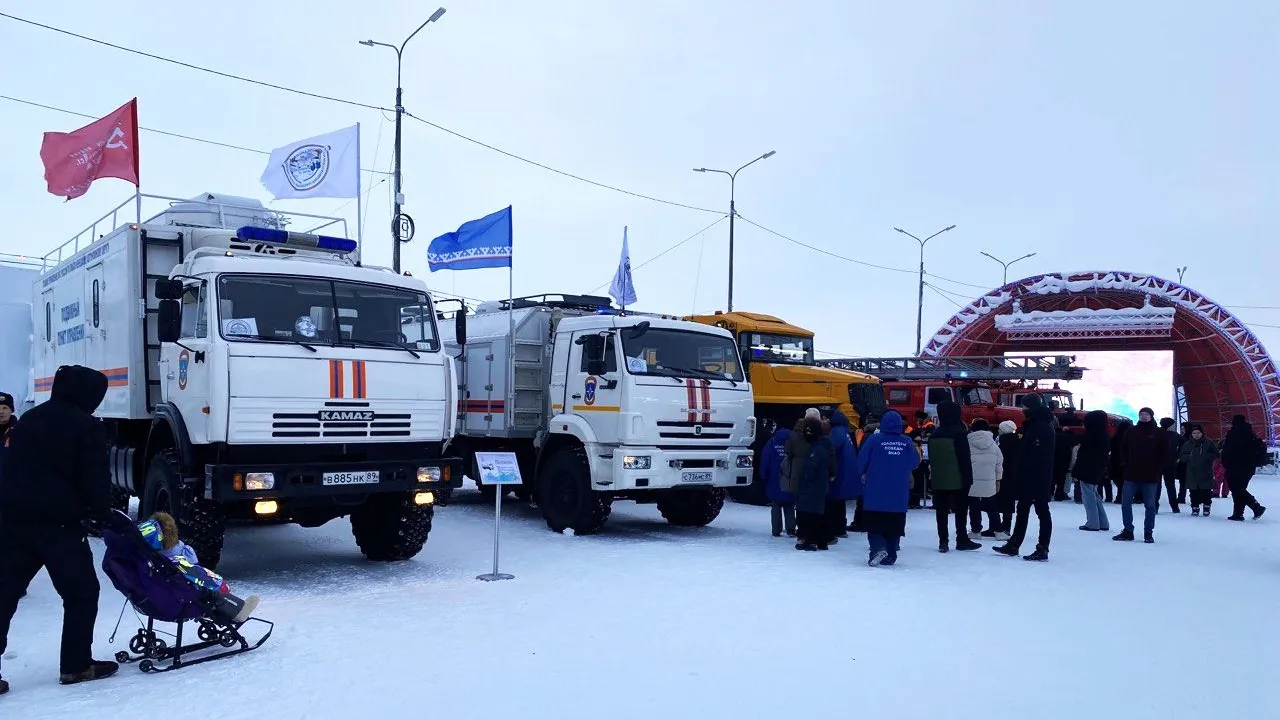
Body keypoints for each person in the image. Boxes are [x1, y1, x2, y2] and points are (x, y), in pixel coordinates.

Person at [0, 366, 119, 694]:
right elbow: (95, 477)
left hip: (12, 522)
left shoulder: (29, 420)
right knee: (81, 594)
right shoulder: (86, 427)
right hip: (60, 526)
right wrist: (101, 512)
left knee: (4, 595)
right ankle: (76, 666)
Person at [138, 513, 259, 623]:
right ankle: (238, 611)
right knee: (208, 592)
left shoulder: (148, 561)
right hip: (180, 605)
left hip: (151, 603)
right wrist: (222, 585)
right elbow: (205, 578)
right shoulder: (175, 562)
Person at [994, 394, 1055, 561]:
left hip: (1035, 476)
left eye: (1024, 406)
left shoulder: (1039, 426)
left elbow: (1034, 454)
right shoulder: (1039, 424)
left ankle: (1041, 548)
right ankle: (1014, 544)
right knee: (1024, 510)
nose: (1022, 410)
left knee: (1040, 511)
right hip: (1034, 476)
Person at [857, 410, 920, 566]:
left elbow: (861, 462)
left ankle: (878, 549)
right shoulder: (906, 442)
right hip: (898, 495)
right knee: (894, 528)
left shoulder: (874, 440)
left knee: (874, 527)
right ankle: (890, 555)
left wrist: (860, 476)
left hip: (875, 493)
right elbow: (915, 462)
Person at [927, 401, 979, 552]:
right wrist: (968, 478)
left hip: (939, 478)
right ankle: (961, 539)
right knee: (961, 510)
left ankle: (943, 541)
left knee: (941, 510)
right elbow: (964, 458)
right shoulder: (959, 433)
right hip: (959, 478)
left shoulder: (934, 434)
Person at [1115, 407, 1168, 544]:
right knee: (1125, 503)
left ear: (1151, 416)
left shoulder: (1159, 433)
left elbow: (1163, 453)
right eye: (1141, 414)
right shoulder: (1131, 431)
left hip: (1150, 476)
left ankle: (1148, 533)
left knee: (1150, 506)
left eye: (1146, 414)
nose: (1144, 417)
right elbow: (1124, 449)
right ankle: (1128, 530)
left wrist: (1157, 470)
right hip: (1131, 474)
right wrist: (1125, 464)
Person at [795, 417, 834, 551]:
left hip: (812, 487)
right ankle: (821, 540)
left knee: (809, 513)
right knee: (818, 511)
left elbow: (810, 468)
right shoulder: (824, 445)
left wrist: (804, 479)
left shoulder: (816, 449)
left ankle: (810, 540)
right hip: (820, 485)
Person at [1220, 415, 1268, 521]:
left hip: (1234, 467)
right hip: (1248, 468)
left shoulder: (1233, 434)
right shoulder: (1251, 433)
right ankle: (1238, 513)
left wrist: (1225, 462)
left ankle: (1256, 507)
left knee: (1237, 490)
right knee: (1239, 490)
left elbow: (1228, 451)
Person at [1072, 410, 1111, 532]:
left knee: (1088, 496)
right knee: (1095, 495)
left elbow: (1076, 440)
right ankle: (1103, 522)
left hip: (1087, 468)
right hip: (1097, 468)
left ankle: (1093, 523)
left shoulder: (1091, 434)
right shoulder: (1104, 433)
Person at [825, 411, 860, 541]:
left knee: (833, 502)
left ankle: (835, 529)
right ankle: (840, 528)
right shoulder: (845, 433)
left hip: (838, 474)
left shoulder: (836, 433)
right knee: (839, 502)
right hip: (846, 472)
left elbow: (830, 449)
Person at [966, 418, 1004, 538]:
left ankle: (976, 530)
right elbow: (999, 464)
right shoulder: (993, 445)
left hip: (972, 480)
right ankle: (998, 531)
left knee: (974, 506)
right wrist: (998, 479)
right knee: (992, 506)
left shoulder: (967, 442)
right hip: (989, 480)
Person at [760, 421, 796, 537]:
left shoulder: (772, 443)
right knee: (789, 505)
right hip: (790, 479)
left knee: (775, 506)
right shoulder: (794, 443)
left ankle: (776, 530)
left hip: (774, 480)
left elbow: (765, 460)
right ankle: (791, 529)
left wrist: (763, 475)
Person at [1178, 425, 1219, 516]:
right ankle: (1195, 507)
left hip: (1205, 471)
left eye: (1198, 433)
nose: (1196, 435)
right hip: (1191, 472)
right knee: (1193, 491)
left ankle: (1206, 507)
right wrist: (1188, 457)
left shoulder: (1208, 443)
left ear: (1202, 433)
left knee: (1206, 491)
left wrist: (1206, 457)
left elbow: (1216, 454)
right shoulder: (1187, 444)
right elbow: (1181, 456)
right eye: (1194, 433)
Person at [994, 420, 1020, 535]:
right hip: (1013, 476)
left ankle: (998, 527)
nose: (998, 430)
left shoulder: (1001, 442)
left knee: (998, 500)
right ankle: (1006, 527)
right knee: (1008, 502)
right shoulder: (1017, 441)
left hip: (1003, 475)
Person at [907, 411, 934, 509]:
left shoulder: (929, 427)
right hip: (921, 454)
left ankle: (917, 500)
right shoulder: (922, 427)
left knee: (920, 477)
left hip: (924, 455)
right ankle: (917, 499)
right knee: (919, 478)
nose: (917, 420)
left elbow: (924, 438)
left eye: (918, 418)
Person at [1158, 418, 1182, 513]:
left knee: (1157, 485)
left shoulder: (1157, 433)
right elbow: (1181, 447)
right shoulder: (1175, 435)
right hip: (1170, 463)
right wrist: (1177, 457)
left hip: (1159, 463)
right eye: (1172, 425)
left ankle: (1155, 506)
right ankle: (1174, 507)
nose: (1173, 426)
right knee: (1170, 486)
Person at [1052, 424, 1078, 502]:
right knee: (1061, 479)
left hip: (1054, 459)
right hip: (1064, 461)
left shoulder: (1056, 435)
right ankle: (1059, 495)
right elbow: (1075, 441)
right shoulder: (1069, 438)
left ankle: (1049, 493)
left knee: (1052, 477)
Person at [1108, 422, 1130, 504]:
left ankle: (1119, 497)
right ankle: (1123, 497)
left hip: (1115, 462)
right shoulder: (1130, 438)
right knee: (1124, 482)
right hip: (1126, 462)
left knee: (1118, 481)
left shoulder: (1115, 438)